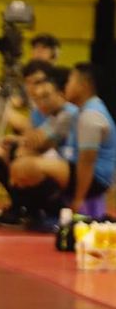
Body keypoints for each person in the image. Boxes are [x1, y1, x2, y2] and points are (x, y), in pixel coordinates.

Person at [8, 63, 115, 229]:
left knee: (27, 168)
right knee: (21, 166)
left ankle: (58, 214)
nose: (65, 86)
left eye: (70, 81)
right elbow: (43, 142)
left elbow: (87, 163)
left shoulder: (91, 116)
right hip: (72, 166)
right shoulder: (80, 111)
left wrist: (78, 202)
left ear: (83, 85)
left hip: (95, 178)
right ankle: (43, 212)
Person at [0, 66, 78, 226]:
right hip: (51, 159)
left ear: (60, 92)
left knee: (21, 157)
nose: (34, 90)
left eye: (39, 84)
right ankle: (21, 207)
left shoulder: (68, 112)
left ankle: (40, 209)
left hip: (67, 166)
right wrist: (18, 140)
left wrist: (16, 127)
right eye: (29, 83)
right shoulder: (41, 110)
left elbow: (40, 141)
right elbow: (33, 138)